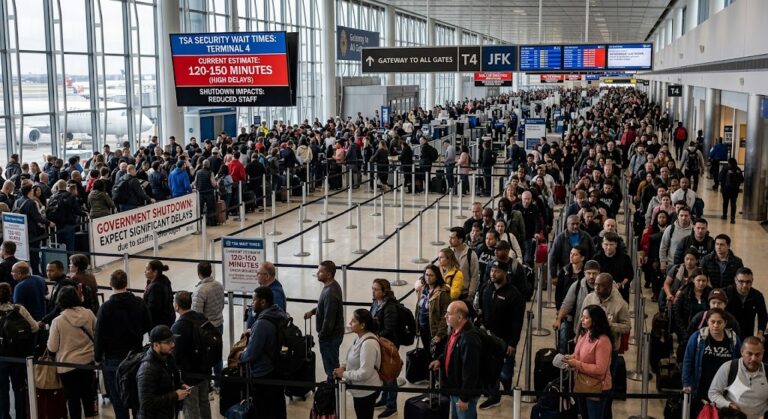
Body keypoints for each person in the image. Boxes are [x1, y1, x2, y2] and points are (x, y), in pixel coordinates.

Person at [94, 269, 152, 419]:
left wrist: (98, 357)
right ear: (126, 283)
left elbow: (99, 335)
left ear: (110, 284)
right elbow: (148, 324)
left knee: (118, 399)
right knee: (137, 395)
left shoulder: (106, 308)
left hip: (113, 358)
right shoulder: (139, 303)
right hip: (136, 355)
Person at [579, 273, 631, 418]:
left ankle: (605, 413)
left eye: (600, 286)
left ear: (609, 287)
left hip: (609, 350)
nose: (596, 288)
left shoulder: (620, 304)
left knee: (605, 385)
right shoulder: (589, 298)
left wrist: (610, 325)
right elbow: (580, 321)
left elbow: (627, 327)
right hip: (588, 347)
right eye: (595, 284)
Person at [477, 260, 525, 410]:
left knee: (505, 370)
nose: (493, 274)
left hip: (505, 339)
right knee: (489, 366)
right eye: (492, 270)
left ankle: (506, 386)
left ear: (505, 273)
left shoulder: (514, 295)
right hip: (487, 336)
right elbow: (480, 309)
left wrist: (513, 343)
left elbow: (517, 321)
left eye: (497, 271)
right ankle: (494, 394)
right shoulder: (486, 288)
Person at [46, 285, 98, 418]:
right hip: (88, 361)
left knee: (72, 399)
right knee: (88, 394)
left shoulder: (58, 321)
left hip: (67, 365)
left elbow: (52, 347)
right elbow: (97, 334)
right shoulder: (89, 313)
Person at [239, 286, 288, 418]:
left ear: (263, 302)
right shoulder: (278, 314)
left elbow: (251, 354)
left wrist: (240, 356)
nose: (251, 304)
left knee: (263, 410)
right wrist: (253, 331)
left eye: (254, 300)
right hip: (277, 368)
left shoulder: (261, 324)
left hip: (263, 373)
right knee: (277, 407)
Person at [682, 308, 741, 418]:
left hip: (724, 389)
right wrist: (686, 383)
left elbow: (739, 363)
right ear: (707, 321)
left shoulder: (734, 340)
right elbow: (688, 360)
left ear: (725, 323)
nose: (715, 325)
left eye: (719, 322)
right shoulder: (697, 337)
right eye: (712, 322)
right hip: (701, 386)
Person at [429, 301, 481, 419]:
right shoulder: (455, 330)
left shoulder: (469, 339)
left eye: (449, 313)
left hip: (463, 394)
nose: (445, 316)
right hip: (454, 388)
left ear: (459, 317)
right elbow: (449, 351)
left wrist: (464, 398)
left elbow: (470, 373)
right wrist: (440, 361)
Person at [563, 305, 613, 419]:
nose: (582, 319)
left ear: (594, 321)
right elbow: (579, 354)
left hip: (597, 388)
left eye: (586, 318)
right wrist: (570, 358)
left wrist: (576, 364)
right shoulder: (585, 334)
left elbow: (600, 369)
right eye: (582, 317)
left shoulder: (603, 341)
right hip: (582, 384)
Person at [333, 309, 383, 419]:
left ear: (362, 325)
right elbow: (351, 355)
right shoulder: (359, 338)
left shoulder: (368, 344)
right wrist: (343, 367)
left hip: (366, 390)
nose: (350, 323)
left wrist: (344, 374)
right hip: (360, 389)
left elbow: (365, 373)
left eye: (354, 321)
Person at [170, 291, 211, 419]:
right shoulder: (202, 318)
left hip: (189, 375)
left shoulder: (178, 326)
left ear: (177, 306)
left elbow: (176, 353)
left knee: (191, 408)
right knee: (204, 403)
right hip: (205, 370)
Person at [0, 282, 38, 418]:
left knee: (2, 390)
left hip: (2, 357)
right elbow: (34, 327)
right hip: (19, 355)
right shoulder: (19, 309)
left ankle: (4, 415)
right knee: (19, 388)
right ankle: (21, 415)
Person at [137, 325, 190, 419]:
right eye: (168, 342)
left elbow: (170, 379)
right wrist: (175, 396)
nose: (173, 345)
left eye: (173, 341)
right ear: (156, 345)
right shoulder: (147, 369)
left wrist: (180, 385)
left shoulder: (168, 358)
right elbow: (146, 402)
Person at [708, 336, 768, 419]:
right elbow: (713, 393)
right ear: (742, 352)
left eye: (758, 354)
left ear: (763, 353)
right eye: (749, 354)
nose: (753, 358)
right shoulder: (729, 368)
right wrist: (728, 405)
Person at [304, 260, 344, 381]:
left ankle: (333, 387)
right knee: (332, 364)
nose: (317, 273)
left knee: (331, 367)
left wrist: (322, 336)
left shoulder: (330, 293)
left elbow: (329, 320)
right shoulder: (331, 286)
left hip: (330, 337)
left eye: (320, 271)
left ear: (329, 274)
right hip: (333, 335)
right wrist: (313, 312)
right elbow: (324, 307)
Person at [554, 260, 600, 355]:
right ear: (584, 273)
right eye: (589, 273)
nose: (591, 276)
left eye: (594, 273)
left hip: (598, 329)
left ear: (599, 273)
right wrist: (558, 319)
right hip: (580, 326)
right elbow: (567, 304)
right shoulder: (577, 286)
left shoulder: (604, 287)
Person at [370, 279, 399, 418]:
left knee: (390, 374)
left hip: (389, 345)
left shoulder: (390, 307)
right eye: (372, 288)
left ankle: (391, 406)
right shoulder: (376, 302)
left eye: (376, 289)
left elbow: (389, 329)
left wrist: (375, 337)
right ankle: (384, 398)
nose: (373, 292)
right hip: (379, 343)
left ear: (384, 291)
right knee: (382, 372)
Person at [549, 216, 595, 297]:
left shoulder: (586, 237)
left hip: (583, 273)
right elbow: (553, 257)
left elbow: (593, 254)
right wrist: (554, 275)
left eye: (577, 224)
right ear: (567, 224)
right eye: (573, 224)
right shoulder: (560, 238)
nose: (575, 226)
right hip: (566, 274)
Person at [415, 264, 451, 357]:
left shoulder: (442, 293)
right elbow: (418, 309)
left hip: (434, 331)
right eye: (426, 275)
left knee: (435, 356)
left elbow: (445, 316)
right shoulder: (422, 289)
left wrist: (439, 334)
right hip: (423, 329)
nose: (428, 277)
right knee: (427, 353)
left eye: (431, 275)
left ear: (437, 276)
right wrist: (417, 327)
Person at [673, 268, 712, 351]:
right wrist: (684, 332)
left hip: (706, 332)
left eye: (704, 281)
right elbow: (677, 313)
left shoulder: (710, 294)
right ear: (693, 280)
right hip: (686, 330)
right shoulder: (684, 293)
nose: (701, 283)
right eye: (698, 280)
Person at [723, 267, 767, 342]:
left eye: (748, 282)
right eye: (741, 281)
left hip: (747, 334)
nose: (744, 285)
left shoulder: (757, 296)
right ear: (735, 280)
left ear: (752, 281)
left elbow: (763, 316)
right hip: (727, 333)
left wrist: (760, 333)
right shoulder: (726, 293)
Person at [593, 232, 633, 302]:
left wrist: (620, 284)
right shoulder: (596, 258)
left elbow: (629, 275)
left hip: (620, 292)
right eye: (606, 244)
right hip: (601, 293)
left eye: (611, 244)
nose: (608, 247)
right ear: (602, 245)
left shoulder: (625, 258)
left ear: (616, 245)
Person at [449, 227, 480, 307]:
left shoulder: (471, 255)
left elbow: (474, 276)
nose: (449, 240)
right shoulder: (448, 252)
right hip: (449, 292)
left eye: (452, 238)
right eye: (449, 237)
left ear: (460, 240)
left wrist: (470, 294)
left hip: (464, 294)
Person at [659, 205, 693, 273]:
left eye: (686, 216)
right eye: (681, 215)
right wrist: (663, 262)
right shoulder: (670, 229)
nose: (683, 218)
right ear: (678, 216)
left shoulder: (694, 230)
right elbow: (663, 246)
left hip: (689, 266)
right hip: (672, 264)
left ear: (690, 216)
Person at [143, 260, 175, 328]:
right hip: (167, 318)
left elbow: (153, 308)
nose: (145, 271)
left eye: (147, 269)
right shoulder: (163, 279)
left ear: (155, 272)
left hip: (159, 323)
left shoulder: (156, 287)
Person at [718, 158, 744, 223]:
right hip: (735, 190)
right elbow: (742, 180)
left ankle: (724, 215)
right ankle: (732, 219)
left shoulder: (725, 168)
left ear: (729, 162)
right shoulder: (738, 169)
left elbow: (720, 178)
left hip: (726, 189)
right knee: (733, 203)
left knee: (725, 202)